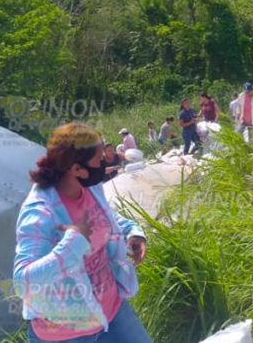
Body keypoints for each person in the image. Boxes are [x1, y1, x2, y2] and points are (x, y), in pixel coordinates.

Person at [12, 123, 150, 343]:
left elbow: (105, 217)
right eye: (98, 159)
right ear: (76, 169)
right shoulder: (40, 213)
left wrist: (132, 232)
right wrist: (72, 244)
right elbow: (23, 283)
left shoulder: (90, 188)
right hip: (66, 332)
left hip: (112, 312)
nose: (104, 163)